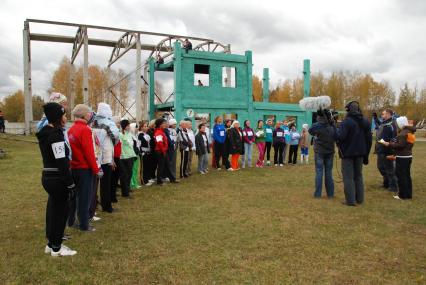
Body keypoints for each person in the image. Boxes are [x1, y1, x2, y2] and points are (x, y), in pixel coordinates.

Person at [37, 102, 77, 256]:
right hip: (57, 178)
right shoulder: (55, 135)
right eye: (64, 115)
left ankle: (51, 244)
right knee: (61, 213)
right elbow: (61, 162)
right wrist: (70, 183)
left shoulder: (48, 133)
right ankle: (56, 247)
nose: (66, 117)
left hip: (49, 176)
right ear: (58, 118)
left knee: (55, 212)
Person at [67, 104, 100, 232]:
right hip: (85, 168)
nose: (91, 114)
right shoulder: (86, 130)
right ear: (85, 115)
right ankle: (84, 225)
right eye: (89, 113)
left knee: (74, 196)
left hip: (74, 167)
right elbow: (89, 152)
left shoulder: (71, 130)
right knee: (85, 197)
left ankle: (70, 221)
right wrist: (96, 169)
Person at [337, 101, 372, 206]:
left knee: (348, 177)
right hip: (360, 153)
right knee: (358, 176)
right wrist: (366, 155)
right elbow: (369, 140)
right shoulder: (365, 121)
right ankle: (360, 199)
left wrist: (335, 133)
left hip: (348, 153)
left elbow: (341, 137)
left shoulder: (346, 122)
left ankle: (350, 200)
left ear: (348, 110)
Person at [382, 116, 416, 200]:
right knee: (407, 175)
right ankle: (408, 194)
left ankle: (402, 195)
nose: (396, 125)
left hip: (402, 157)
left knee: (401, 176)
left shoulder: (402, 133)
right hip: (408, 156)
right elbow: (406, 144)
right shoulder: (409, 131)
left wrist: (390, 144)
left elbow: (400, 145)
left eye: (397, 123)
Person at [92, 103, 117, 213]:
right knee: (105, 183)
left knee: (94, 184)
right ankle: (106, 206)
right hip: (106, 158)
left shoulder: (92, 122)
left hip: (94, 157)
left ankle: (93, 205)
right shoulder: (109, 123)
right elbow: (116, 137)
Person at [309, 111, 337, 198]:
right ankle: (330, 194)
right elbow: (336, 135)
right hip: (330, 151)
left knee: (319, 172)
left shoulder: (317, 125)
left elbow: (310, 131)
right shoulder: (331, 125)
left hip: (319, 152)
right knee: (328, 172)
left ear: (319, 117)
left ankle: (318, 194)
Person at [375, 109, 398, 192]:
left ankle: (393, 187)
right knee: (381, 167)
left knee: (389, 169)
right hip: (381, 149)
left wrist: (382, 141)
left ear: (388, 114)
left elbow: (392, 138)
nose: (382, 116)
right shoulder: (385, 123)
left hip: (387, 150)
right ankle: (386, 183)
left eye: (383, 114)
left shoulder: (391, 124)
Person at [154, 118, 177, 185]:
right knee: (161, 167)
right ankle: (159, 181)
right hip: (160, 151)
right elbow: (159, 143)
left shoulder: (162, 131)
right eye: (163, 123)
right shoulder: (158, 132)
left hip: (163, 151)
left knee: (167, 165)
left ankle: (172, 179)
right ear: (159, 124)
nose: (165, 124)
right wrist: (164, 151)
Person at [119, 119, 137, 197]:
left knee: (129, 173)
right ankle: (125, 192)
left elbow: (132, 146)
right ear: (124, 126)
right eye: (127, 125)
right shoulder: (120, 135)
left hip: (130, 156)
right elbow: (120, 146)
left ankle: (127, 188)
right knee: (124, 175)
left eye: (129, 125)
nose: (129, 126)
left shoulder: (130, 134)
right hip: (123, 157)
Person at [138, 121, 153, 186]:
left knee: (147, 166)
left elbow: (149, 144)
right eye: (144, 126)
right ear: (141, 127)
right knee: (143, 167)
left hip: (148, 152)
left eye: (147, 126)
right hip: (143, 152)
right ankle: (143, 180)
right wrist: (141, 152)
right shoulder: (140, 135)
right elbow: (138, 145)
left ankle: (147, 178)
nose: (146, 127)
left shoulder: (147, 135)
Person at [111, 116, 121, 203]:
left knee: (116, 176)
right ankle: (112, 195)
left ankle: (113, 193)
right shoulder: (113, 133)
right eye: (117, 123)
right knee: (113, 177)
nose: (119, 125)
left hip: (117, 156)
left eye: (119, 123)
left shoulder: (117, 132)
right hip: (114, 157)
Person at [129, 123, 142, 189]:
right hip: (133, 155)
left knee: (135, 169)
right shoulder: (130, 136)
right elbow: (132, 147)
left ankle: (135, 182)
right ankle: (132, 184)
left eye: (137, 127)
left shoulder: (135, 135)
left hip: (136, 154)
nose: (137, 128)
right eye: (136, 127)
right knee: (133, 169)